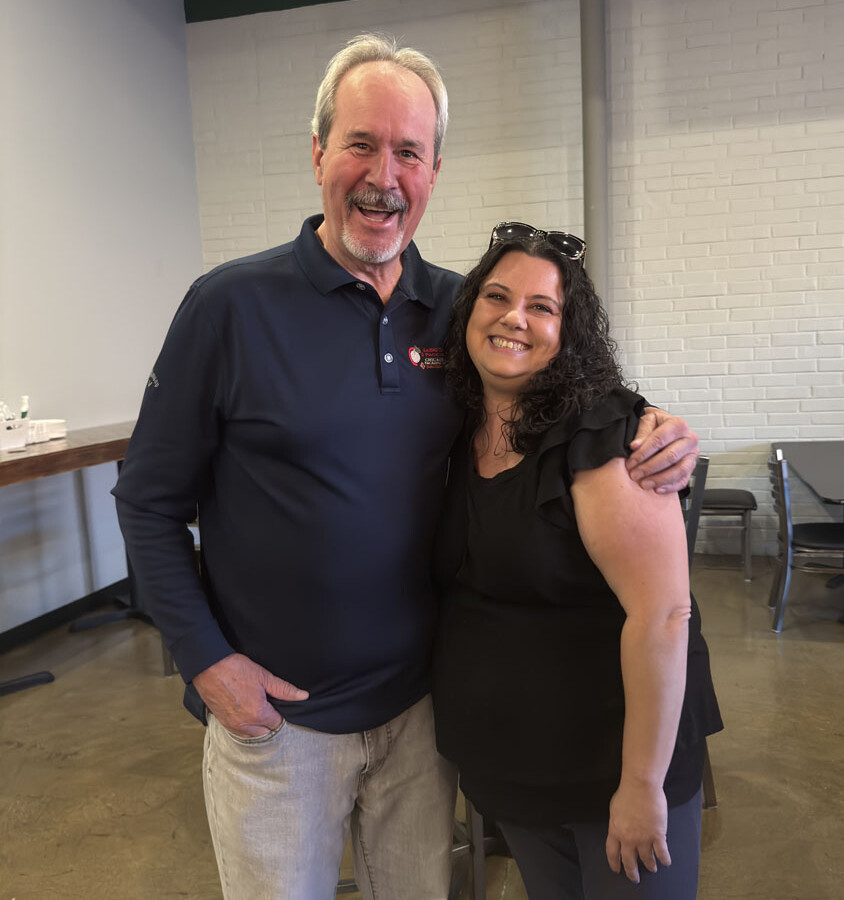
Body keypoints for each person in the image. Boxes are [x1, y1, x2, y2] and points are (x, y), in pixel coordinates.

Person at [112, 35, 700, 900]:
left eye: (409, 151)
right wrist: (207, 662)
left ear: (433, 171)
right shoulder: (228, 307)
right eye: (360, 143)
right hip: (278, 722)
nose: (383, 174)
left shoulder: (461, 313)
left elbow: (566, 408)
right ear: (318, 153)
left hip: (423, 716)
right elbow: (148, 502)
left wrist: (662, 434)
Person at [432, 223, 723, 900]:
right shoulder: (452, 427)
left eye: (542, 307)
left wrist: (641, 786)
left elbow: (663, 613)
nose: (514, 318)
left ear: (570, 331)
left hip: (614, 768)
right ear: (468, 309)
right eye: (497, 297)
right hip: (517, 766)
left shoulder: (604, 432)